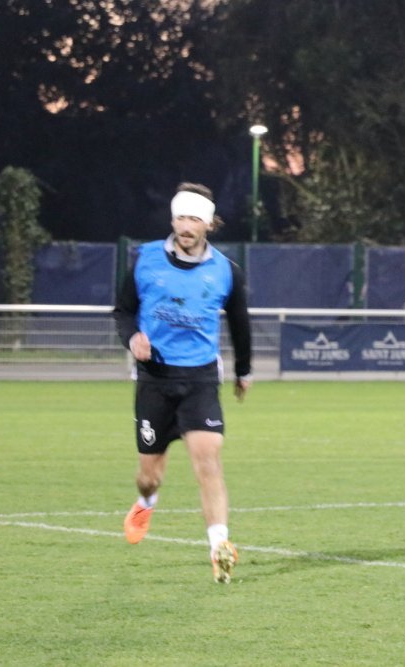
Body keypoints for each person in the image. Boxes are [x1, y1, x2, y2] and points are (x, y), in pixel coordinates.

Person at [113, 182, 252, 584]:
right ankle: (145, 501)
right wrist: (132, 337)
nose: (186, 225)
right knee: (149, 473)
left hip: (200, 379)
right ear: (172, 219)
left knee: (207, 462)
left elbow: (240, 325)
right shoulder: (144, 259)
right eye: (180, 217)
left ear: (208, 224)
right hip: (155, 379)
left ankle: (219, 546)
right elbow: (123, 312)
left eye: (194, 218)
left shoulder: (226, 271)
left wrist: (244, 371)